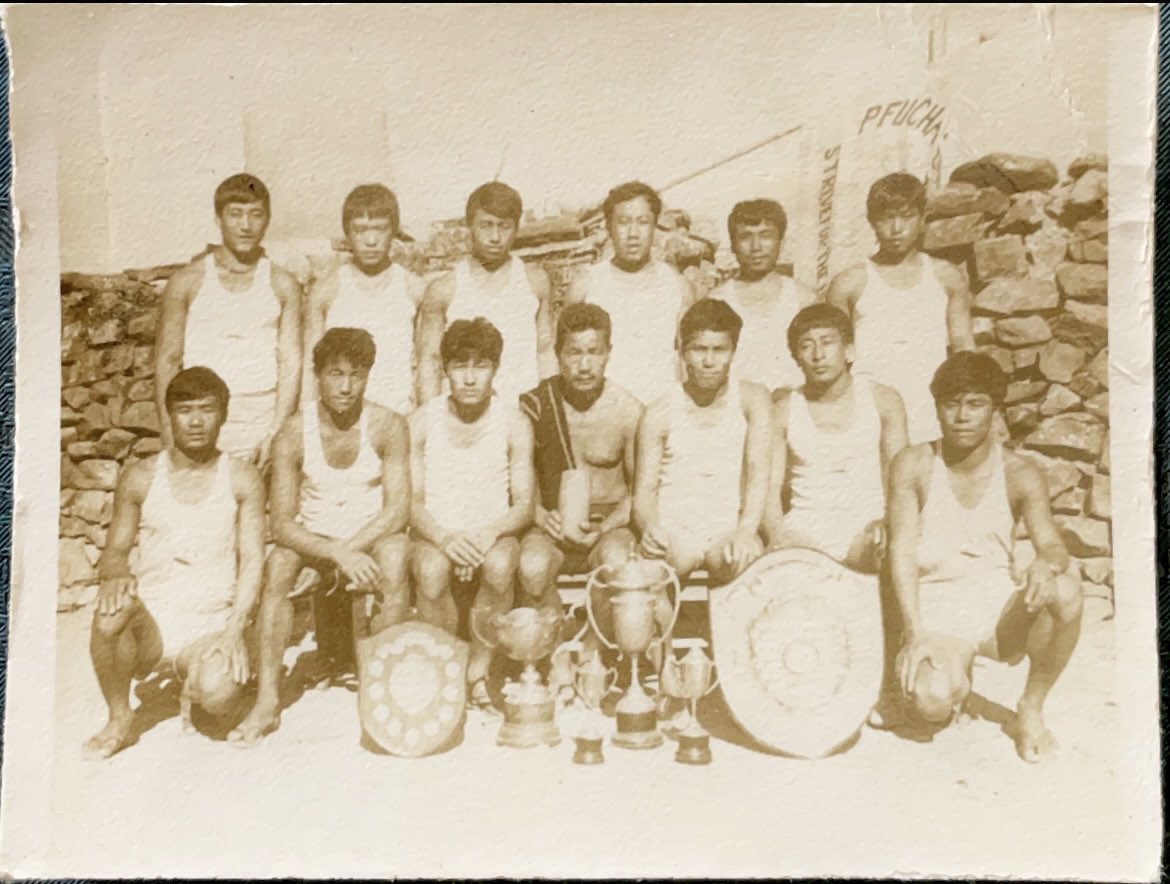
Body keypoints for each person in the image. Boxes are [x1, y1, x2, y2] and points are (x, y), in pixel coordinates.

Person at [886, 351, 1083, 763]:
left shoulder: (1019, 471)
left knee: (1066, 590)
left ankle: (1030, 707)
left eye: (975, 404)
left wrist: (1045, 566)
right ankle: (947, 681)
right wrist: (915, 632)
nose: (961, 416)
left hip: (997, 610)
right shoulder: (914, 464)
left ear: (995, 410)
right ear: (937, 408)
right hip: (939, 609)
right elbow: (900, 550)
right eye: (950, 404)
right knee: (931, 701)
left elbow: (1053, 544)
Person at [229, 328, 412, 746]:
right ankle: (267, 701)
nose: (346, 387)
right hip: (315, 538)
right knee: (278, 566)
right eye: (336, 374)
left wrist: (348, 553)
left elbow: (397, 509)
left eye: (357, 375)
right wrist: (332, 554)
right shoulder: (293, 432)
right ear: (317, 376)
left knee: (397, 556)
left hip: (369, 537)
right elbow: (283, 523)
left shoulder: (387, 425)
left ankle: (383, 687)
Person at [83, 368, 265, 760]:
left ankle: (199, 680)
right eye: (185, 410)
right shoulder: (141, 476)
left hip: (210, 624)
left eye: (207, 410)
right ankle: (119, 717)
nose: (197, 421)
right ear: (169, 416)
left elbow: (252, 559)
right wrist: (115, 575)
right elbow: (115, 550)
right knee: (109, 613)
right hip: (153, 625)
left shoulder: (242, 477)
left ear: (224, 415)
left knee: (217, 697)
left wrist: (235, 629)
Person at [409, 318, 535, 706]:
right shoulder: (421, 421)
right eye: (459, 365)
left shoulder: (513, 421)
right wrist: (446, 538)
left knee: (499, 567)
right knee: (430, 572)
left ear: (495, 369)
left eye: (480, 365)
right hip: (437, 533)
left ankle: (478, 672)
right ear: (445, 369)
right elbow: (410, 502)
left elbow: (524, 504)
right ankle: (447, 668)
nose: (468, 377)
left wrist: (486, 535)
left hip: (492, 533)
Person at [154, 173, 303, 467]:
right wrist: (170, 436)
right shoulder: (188, 281)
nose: (246, 225)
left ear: (267, 219)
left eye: (256, 214)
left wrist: (276, 432)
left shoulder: (283, 284)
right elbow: (167, 362)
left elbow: (291, 363)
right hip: (200, 418)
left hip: (260, 422)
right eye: (235, 214)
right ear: (218, 218)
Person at [827, 172, 973, 445]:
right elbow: (836, 361)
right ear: (872, 222)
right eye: (885, 218)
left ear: (922, 219)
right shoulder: (850, 283)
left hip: (929, 412)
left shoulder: (946, 277)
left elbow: (964, 351)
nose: (896, 228)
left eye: (906, 216)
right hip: (869, 415)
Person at [634, 298, 772, 585]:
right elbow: (645, 490)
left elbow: (759, 474)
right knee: (643, 576)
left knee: (750, 562)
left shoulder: (752, 400)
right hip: (674, 531)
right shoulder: (659, 411)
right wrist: (650, 528)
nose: (709, 361)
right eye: (698, 349)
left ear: (733, 351)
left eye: (719, 350)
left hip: (728, 531)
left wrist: (746, 531)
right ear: (683, 352)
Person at [517, 303, 642, 618]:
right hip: (552, 525)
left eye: (594, 352)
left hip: (608, 524)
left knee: (616, 561)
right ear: (558, 354)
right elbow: (517, 481)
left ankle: (594, 652)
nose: (584, 365)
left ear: (608, 353)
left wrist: (607, 526)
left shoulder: (628, 411)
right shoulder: (535, 408)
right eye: (574, 353)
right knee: (531, 567)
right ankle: (552, 642)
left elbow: (639, 491)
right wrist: (540, 515)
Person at [764, 304, 907, 572]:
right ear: (796, 357)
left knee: (896, 553)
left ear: (849, 350)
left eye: (827, 342)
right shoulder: (783, 410)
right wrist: (778, 533)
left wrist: (888, 523)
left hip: (868, 530)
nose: (818, 355)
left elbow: (901, 481)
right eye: (806, 346)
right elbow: (768, 490)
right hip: (804, 533)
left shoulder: (883, 401)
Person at [417, 182, 555, 404]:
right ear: (470, 226)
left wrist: (550, 409)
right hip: (463, 416)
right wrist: (430, 421)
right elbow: (430, 361)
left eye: (504, 226)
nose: (495, 237)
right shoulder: (444, 289)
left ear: (516, 228)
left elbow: (545, 351)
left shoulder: (535, 281)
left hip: (523, 410)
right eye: (486, 225)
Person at [566, 180, 698, 406]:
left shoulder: (676, 286)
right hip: (602, 412)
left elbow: (688, 360)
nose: (633, 233)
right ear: (609, 227)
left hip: (660, 410)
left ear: (655, 226)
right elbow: (567, 355)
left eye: (643, 222)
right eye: (624, 222)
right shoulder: (586, 285)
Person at [304, 184, 426, 414]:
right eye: (360, 230)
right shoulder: (325, 291)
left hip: (399, 414)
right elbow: (311, 369)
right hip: (338, 419)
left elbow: (426, 364)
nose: (371, 241)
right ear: (347, 233)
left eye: (380, 229)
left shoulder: (414, 288)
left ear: (394, 231)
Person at [709, 199, 817, 394]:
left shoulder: (803, 298)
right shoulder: (717, 300)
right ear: (733, 244)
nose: (756, 246)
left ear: (781, 242)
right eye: (745, 237)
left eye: (766, 235)